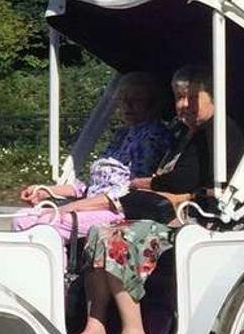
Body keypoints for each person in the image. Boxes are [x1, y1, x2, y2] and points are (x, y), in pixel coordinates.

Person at [73, 64, 244, 334]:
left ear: (212, 98)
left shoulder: (217, 133)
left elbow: (185, 180)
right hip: (171, 216)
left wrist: (153, 184)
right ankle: (97, 326)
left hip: (195, 221)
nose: (182, 105)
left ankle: (135, 333)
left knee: (119, 242)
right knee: (98, 235)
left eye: (191, 98)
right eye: (179, 98)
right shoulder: (188, 132)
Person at [14, 71, 173, 238]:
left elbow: (130, 190)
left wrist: (70, 208)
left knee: (39, 224)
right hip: (95, 205)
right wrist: (46, 191)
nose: (127, 105)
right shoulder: (123, 134)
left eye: (136, 99)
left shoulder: (153, 136)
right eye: (122, 99)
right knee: (23, 216)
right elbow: (92, 187)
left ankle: (55, 263)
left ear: (153, 103)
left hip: (119, 210)